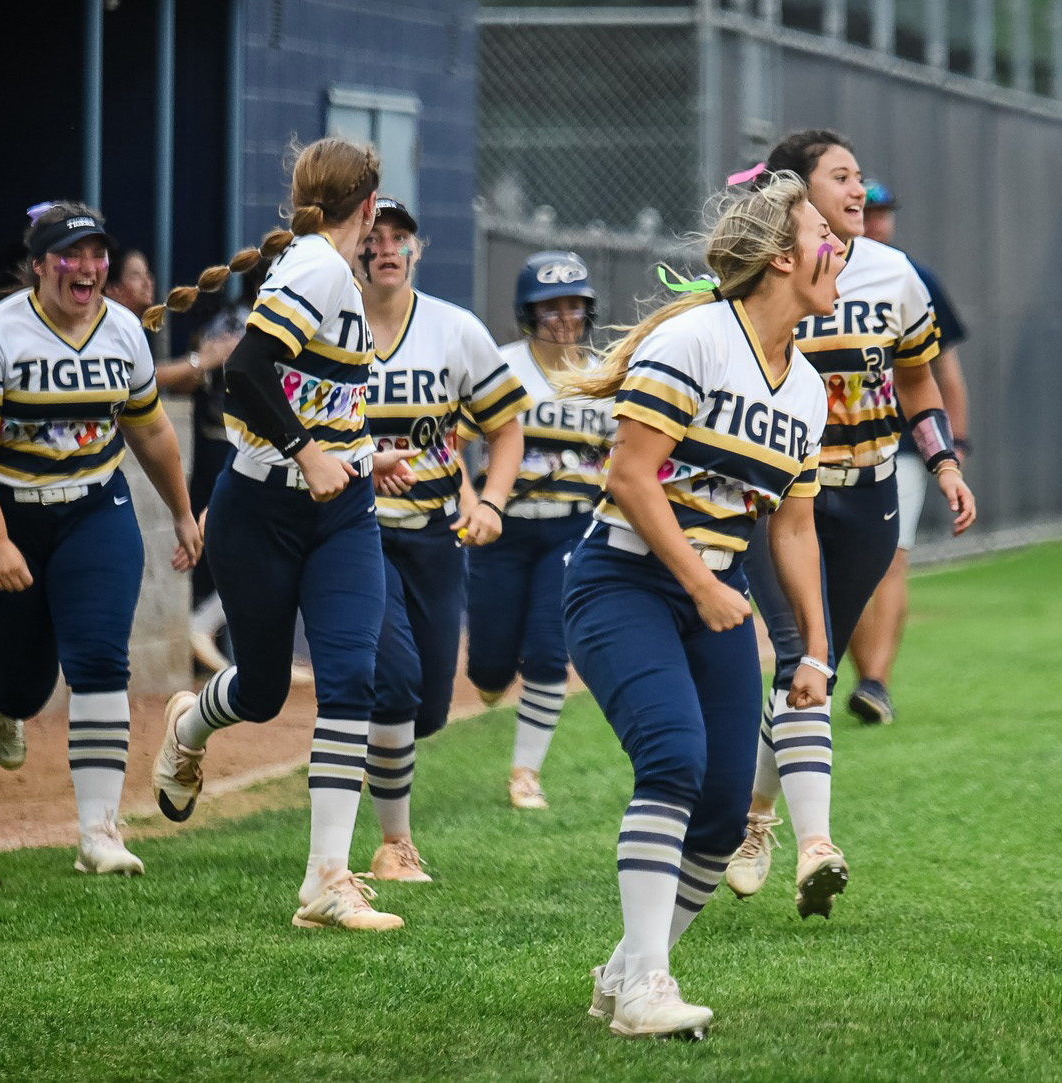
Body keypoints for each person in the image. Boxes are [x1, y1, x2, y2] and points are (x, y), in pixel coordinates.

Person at [568, 172, 837, 1039]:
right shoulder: (696, 340)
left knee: (722, 814)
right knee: (673, 760)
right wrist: (703, 582)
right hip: (624, 582)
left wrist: (814, 649)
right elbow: (630, 477)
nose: (839, 248)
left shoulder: (807, 388)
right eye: (823, 235)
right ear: (783, 258)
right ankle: (647, 986)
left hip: (711, 593)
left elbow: (794, 526)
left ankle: (623, 971)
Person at [147, 137, 419, 930]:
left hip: (342, 509)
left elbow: (319, 395)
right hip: (262, 508)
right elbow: (246, 372)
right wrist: (308, 452)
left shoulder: (327, 267)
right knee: (262, 691)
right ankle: (187, 725)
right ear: (368, 207)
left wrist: (361, 455)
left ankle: (326, 879)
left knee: (351, 677)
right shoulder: (319, 266)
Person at [727, 130, 976, 917]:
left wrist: (944, 463)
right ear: (796, 193)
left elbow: (917, 380)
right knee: (802, 652)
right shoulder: (762, 272)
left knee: (812, 669)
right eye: (841, 177)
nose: (858, 190)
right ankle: (816, 845)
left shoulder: (896, 274)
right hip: (781, 498)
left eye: (860, 176)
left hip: (870, 494)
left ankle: (754, 817)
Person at [0, 201, 203, 877]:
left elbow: (149, 428)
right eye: (69, 255)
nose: (86, 268)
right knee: (28, 687)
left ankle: (99, 833)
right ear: (38, 265)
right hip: (8, 512)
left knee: (99, 659)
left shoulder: (123, 331)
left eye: (96, 255)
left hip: (95, 508)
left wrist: (182, 511)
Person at [355, 196, 531, 881]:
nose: (387, 248)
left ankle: (364, 739)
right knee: (394, 685)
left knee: (426, 708)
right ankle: (394, 844)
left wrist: (491, 501)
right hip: (353, 531)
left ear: (418, 249)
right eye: (374, 236)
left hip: (433, 532)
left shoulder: (453, 329)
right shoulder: (328, 328)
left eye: (400, 237)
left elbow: (506, 428)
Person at [462, 250, 614, 810]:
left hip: (573, 529)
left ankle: (525, 772)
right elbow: (454, 442)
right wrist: (471, 503)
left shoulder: (607, 377)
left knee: (550, 651)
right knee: (489, 667)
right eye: (550, 306)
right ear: (528, 311)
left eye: (574, 304)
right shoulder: (500, 366)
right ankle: (492, 677)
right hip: (502, 528)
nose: (564, 316)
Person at [841, 178, 976, 725]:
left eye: (883, 213)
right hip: (829, 445)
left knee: (891, 557)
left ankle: (877, 681)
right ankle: (864, 678)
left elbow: (941, 370)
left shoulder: (908, 275)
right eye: (866, 212)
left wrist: (953, 445)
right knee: (844, 569)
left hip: (899, 444)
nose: (875, 222)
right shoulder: (815, 271)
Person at [104, 241, 242, 673]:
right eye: (136, 275)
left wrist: (187, 516)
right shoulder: (105, 326)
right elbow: (143, 382)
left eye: (149, 273)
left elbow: (162, 399)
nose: (149, 282)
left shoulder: (134, 330)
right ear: (111, 288)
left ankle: (210, 625)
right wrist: (204, 359)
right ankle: (205, 625)